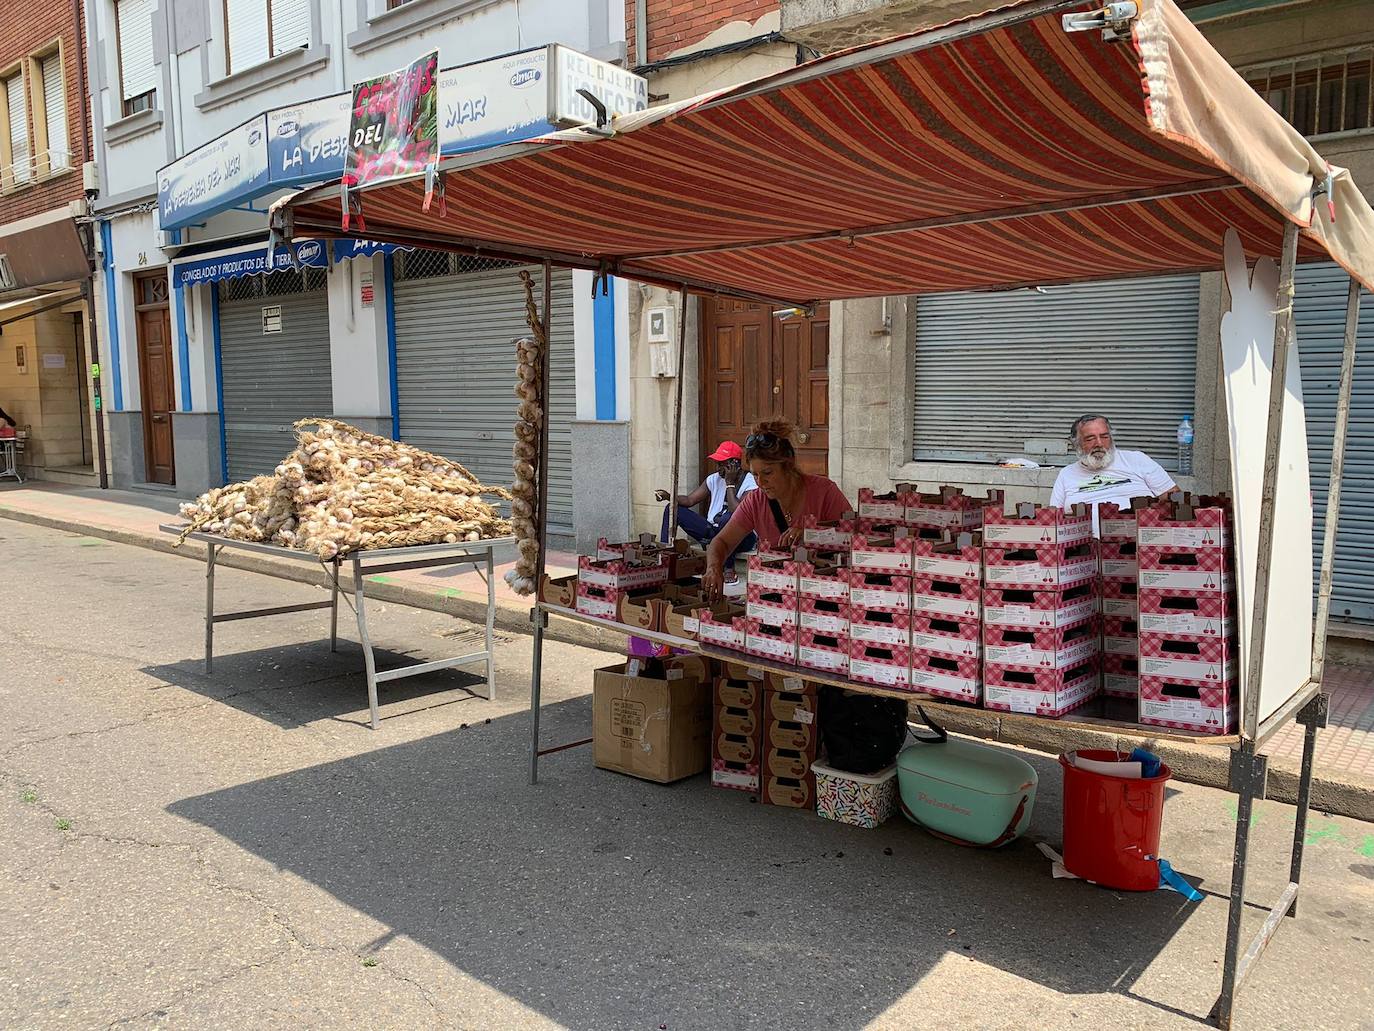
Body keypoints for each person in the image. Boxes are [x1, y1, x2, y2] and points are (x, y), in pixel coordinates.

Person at [701, 419, 851, 599]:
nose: (760, 482)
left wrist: (812, 535)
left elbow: (853, 537)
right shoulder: (755, 500)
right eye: (755, 474)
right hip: (777, 596)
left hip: (825, 595)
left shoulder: (825, 492)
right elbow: (721, 542)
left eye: (767, 473)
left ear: (788, 466)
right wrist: (713, 568)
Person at [1049, 414, 1177, 533]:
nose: (1099, 444)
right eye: (1090, 439)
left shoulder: (1137, 460)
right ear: (1075, 444)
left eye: (1104, 437)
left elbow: (1174, 499)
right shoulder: (1066, 474)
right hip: (1085, 547)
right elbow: (1053, 518)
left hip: (1141, 540)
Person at [655, 440, 757, 556]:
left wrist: (730, 483)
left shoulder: (751, 482)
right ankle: (664, 553)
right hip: (714, 532)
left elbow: (738, 512)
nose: (718, 467)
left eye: (721, 464)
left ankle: (728, 567)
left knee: (727, 518)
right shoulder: (714, 479)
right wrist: (669, 496)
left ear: (735, 464)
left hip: (742, 537)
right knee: (672, 508)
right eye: (717, 463)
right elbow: (690, 500)